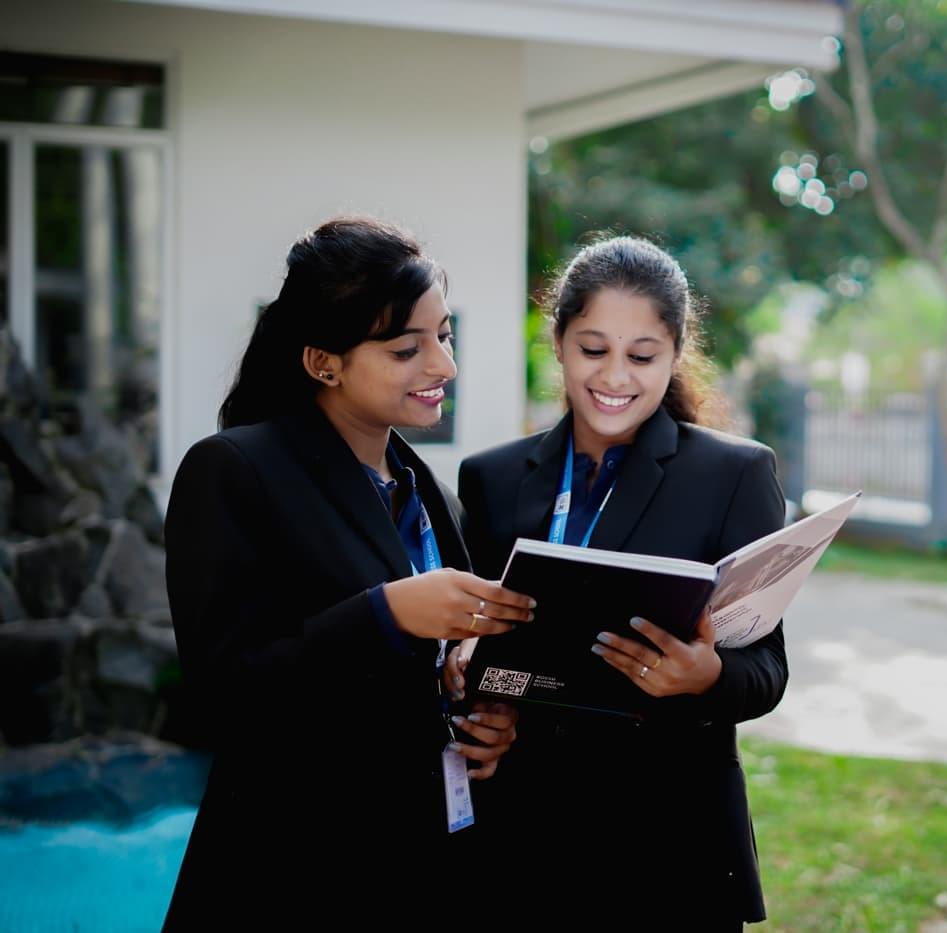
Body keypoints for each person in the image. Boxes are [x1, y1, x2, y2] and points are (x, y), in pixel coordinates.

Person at [162, 217, 533, 928]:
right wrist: (387, 614)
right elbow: (225, 696)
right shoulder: (234, 472)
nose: (443, 367)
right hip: (296, 874)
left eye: (444, 337)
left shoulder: (431, 493)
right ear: (322, 361)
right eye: (406, 348)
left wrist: (486, 709)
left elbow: (432, 677)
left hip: (427, 867)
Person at [449, 235, 788, 930]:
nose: (614, 377)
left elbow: (767, 672)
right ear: (559, 340)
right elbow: (483, 656)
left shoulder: (735, 476)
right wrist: (482, 705)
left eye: (642, 356)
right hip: (522, 837)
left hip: (668, 847)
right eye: (592, 349)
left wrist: (705, 675)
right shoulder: (492, 479)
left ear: (675, 353)